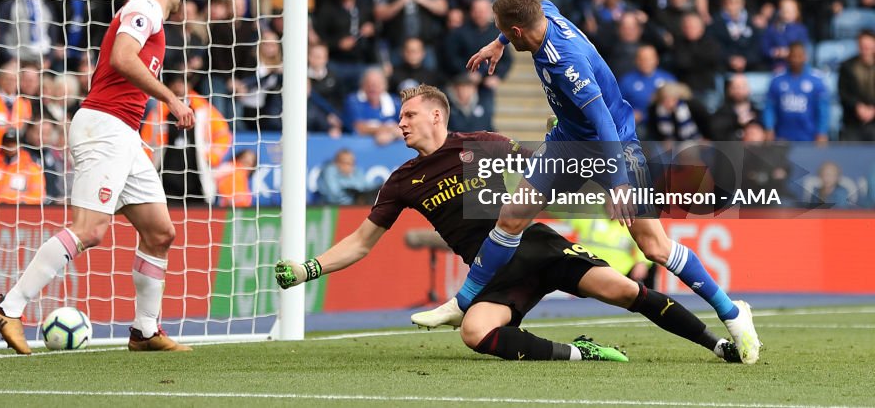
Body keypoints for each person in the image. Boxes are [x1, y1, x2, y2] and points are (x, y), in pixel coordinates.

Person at [412, 0, 760, 364]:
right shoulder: (542, 14)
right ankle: (463, 302)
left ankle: (732, 311)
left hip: (614, 146)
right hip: (568, 142)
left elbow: (604, 124)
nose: (500, 35)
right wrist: (497, 44)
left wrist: (621, 182)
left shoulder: (567, 64)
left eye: (502, 31)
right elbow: (540, 5)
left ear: (518, 30)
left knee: (654, 247)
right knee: (512, 217)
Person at [276, 85, 742, 364]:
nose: (400, 124)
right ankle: (581, 353)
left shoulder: (482, 143)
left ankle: (718, 344)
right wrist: (306, 270)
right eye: (400, 117)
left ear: (436, 115)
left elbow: (549, 167)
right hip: (493, 274)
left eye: (409, 115)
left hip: (537, 245)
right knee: (475, 333)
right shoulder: (401, 182)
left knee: (627, 292)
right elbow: (360, 243)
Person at [0, 0, 194, 355]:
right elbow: (121, 57)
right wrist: (172, 99)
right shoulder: (145, 7)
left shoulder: (149, 14)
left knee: (160, 232)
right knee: (90, 230)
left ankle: (144, 331)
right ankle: (8, 306)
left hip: (125, 134)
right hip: (105, 126)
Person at [763, 42, 830, 142]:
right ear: (788, 57)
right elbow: (770, 107)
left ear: (805, 57)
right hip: (782, 136)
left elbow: (823, 109)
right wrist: (769, 127)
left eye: (799, 56)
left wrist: (822, 132)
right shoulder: (777, 79)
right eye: (793, 56)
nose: (796, 60)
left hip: (809, 137)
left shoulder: (816, 80)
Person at [839, 29, 875, 141]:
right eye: (863, 46)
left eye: (868, 47)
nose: (865, 50)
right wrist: (857, 106)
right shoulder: (847, 66)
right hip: (852, 122)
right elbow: (843, 93)